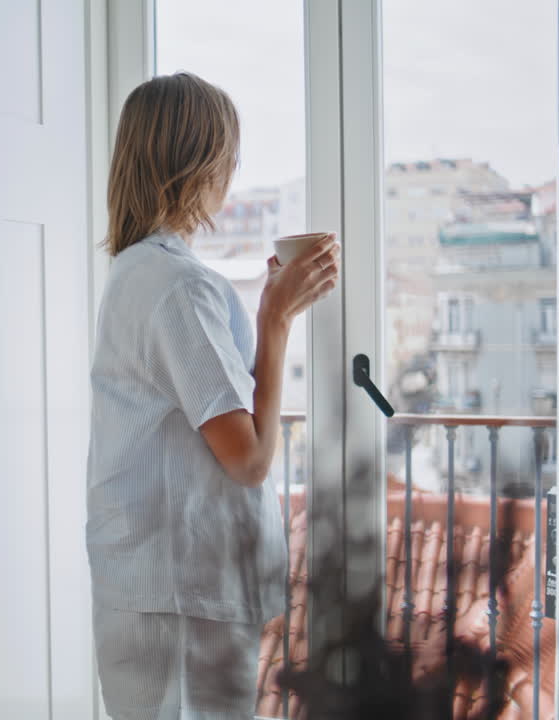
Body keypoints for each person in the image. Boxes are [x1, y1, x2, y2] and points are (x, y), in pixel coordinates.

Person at [86, 72, 340, 719]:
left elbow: (211, 414)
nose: (234, 168)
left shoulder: (139, 270)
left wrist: (268, 314)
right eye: (229, 152)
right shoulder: (178, 287)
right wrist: (276, 320)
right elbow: (248, 460)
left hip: (158, 586)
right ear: (202, 161)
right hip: (179, 594)